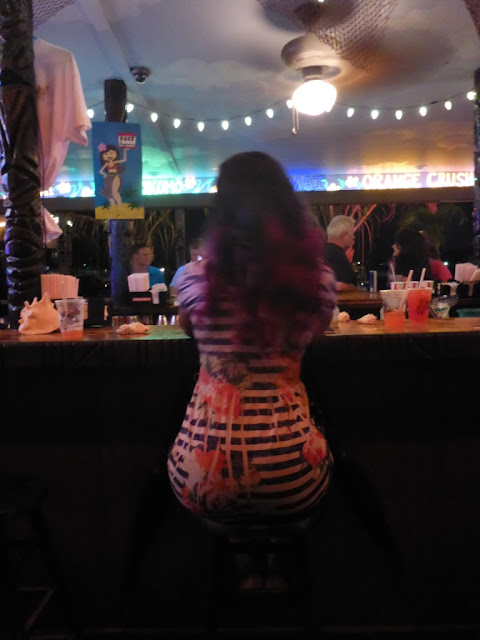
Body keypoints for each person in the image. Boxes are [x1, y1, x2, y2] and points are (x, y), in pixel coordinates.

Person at [167, 150, 337, 535]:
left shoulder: (193, 278)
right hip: (293, 476)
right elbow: (315, 332)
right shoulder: (317, 280)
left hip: (199, 476)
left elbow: (188, 327)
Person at [324, 215, 359, 291]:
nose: (354, 237)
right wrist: (355, 288)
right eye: (352, 234)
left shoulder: (319, 251)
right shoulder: (338, 256)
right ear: (344, 235)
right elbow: (339, 286)